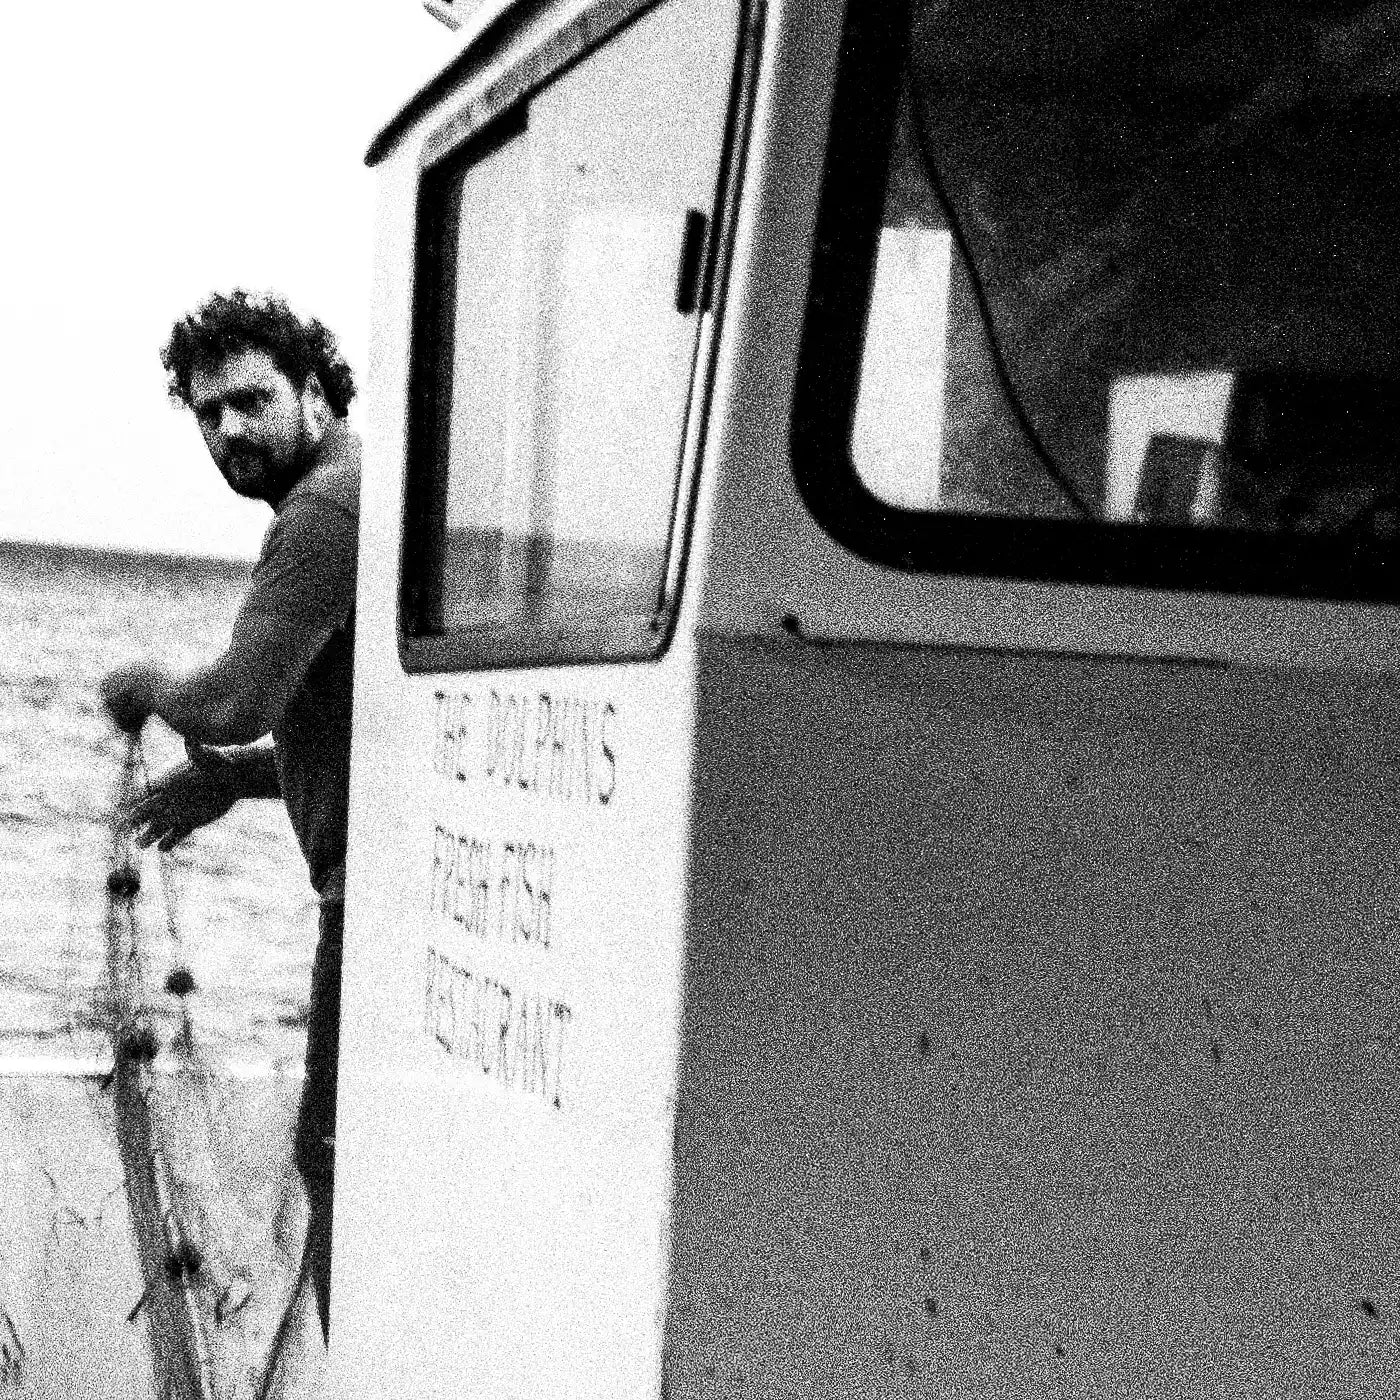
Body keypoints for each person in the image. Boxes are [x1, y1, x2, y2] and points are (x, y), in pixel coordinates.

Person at [100, 289, 359, 1348]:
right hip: (382, 890)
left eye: (251, 400)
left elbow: (230, 699)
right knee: (341, 1155)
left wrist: (148, 680)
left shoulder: (323, 511)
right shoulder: (357, 495)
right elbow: (358, 726)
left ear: (313, 389)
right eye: (208, 413)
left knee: (340, 1161)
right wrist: (235, 780)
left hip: (369, 907)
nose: (229, 431)